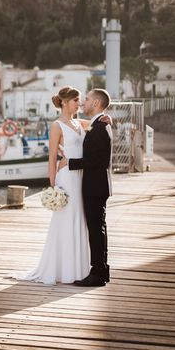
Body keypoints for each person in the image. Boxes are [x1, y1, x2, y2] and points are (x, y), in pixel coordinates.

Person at [8, 86, 90, 284]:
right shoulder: (57, 126)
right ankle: (62, 269)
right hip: (66, 178)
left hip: (80, 176)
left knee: (79, 218)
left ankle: (78, 268)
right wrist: (53, 186)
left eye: (79, 100)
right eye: (75, 100)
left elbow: (96, 123)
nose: (79, 104)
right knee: (66, 219)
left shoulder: (78, 122)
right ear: (64, 102)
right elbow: (52, 157)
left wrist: (107, 118)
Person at [59, 88, 113, 287]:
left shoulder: (100, 127)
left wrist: (70, 163)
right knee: (99, 229)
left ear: (97, 104)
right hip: (97, 185)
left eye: (87, 99)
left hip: (95, 186)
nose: (83, 102)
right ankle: (102, 270)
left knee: (95, 230)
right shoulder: (99, 123)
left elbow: (97, 160)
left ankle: (97, 273)